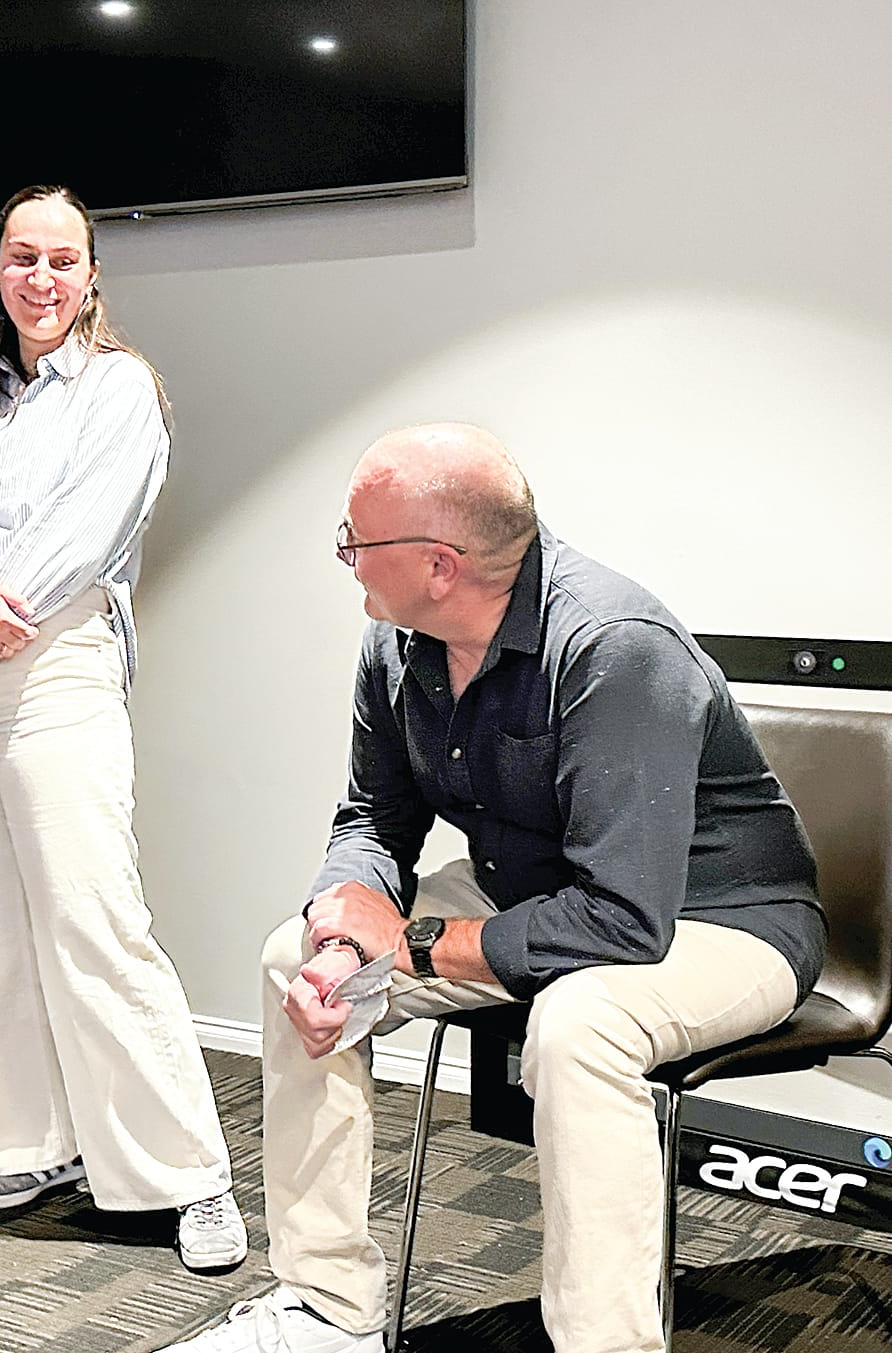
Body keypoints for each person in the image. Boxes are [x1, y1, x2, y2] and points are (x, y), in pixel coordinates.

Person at [161, 423, 826, 1353]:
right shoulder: (400, 643)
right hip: (542, 890)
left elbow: (625, 918)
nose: (344, 556)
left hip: (718, 917)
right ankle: (326, 1308)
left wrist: (413, 945)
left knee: (581, 1024)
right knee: (295, 956)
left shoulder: (615, 647)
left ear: (440, 563)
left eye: (355, 538)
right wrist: (348, 932)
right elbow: (374, 819)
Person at [0, 185, 246, 1271]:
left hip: (54, 672)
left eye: (62, 261)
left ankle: (189, 1180)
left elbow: (78, 542)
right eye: (20, 256)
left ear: (93, 278)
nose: (40, 278)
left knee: (94, 924)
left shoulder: (121, 391)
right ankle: (20, 1144)